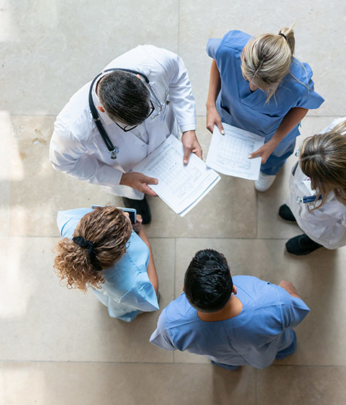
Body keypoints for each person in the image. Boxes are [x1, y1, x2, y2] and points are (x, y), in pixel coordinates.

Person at [49, 46, 201, 223]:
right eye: (129, 126)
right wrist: (122, 178)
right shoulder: (73, 129)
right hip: (126, 171)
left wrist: (188, 128)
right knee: (134, 196)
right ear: (101, 109)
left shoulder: (153, 61)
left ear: (139, 80)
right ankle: (135, 200)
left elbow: (178, 75)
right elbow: (63, 163)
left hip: (166, 144)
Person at [206, 25, 324, 192]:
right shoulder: (228, 49)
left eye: (262, 86)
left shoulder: (298, 84)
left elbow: (303, 106)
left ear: (282, 78)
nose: (252, 87)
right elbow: (218, 60)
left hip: (273, 134)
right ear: (243, 53)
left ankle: (268, 171)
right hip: (231, 115)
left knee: (274, 156)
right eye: (246, 77)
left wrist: (274, 142)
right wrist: (210, 105)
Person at [150, 249, 309, 370]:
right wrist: (288, 290)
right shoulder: (275, 302)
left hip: (223, 357)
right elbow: (297, 314)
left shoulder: (170, 323)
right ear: (233, 288)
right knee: (284, 345)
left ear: (184, 289)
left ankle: (230, 367)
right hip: (263, 356)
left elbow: (165, 343)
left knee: (225, 362)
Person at [279, 117, 346, 255]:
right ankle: (297, 213)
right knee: (298, 204)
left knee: (316, 232)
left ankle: (313, 242)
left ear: (328, 182)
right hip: (302, 201)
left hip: (320, 228)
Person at [54, 206, 159, 322]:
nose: (127, 214)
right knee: (128, 305)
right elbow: (151, 293)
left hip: (102, 287)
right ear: (122, 253)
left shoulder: (68, 220)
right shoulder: (130, 285)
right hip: (121, 295)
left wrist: (114, 219)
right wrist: (144, 240)